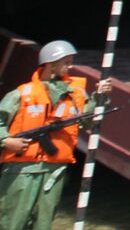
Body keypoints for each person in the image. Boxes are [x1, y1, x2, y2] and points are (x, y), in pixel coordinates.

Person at [0, 41, 110, 230]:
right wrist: (6, 140)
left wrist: (99, 98)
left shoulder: (75, 93)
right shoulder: (20, 94)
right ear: (50, 64)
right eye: (66, 62)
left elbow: (87, 121)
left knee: (43, 223)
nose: (70, 66)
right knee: (13, 221)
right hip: (21, 170)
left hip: (54, 171)